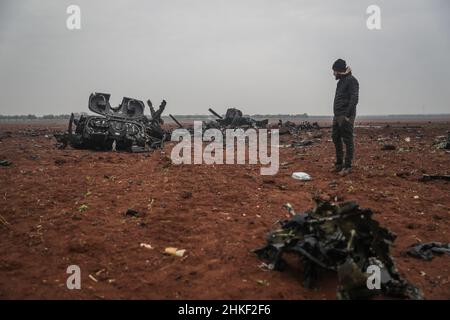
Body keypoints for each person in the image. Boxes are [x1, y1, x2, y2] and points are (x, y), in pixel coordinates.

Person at [330, 59, 359, 176]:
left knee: (347, 140)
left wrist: (347, 115)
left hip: (345, 115)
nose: (333, 74)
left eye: (334, 71)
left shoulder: (352, 80)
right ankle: (339, 164)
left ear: (339, 70)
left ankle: (347, 166)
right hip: (337, 115)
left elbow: (354, 98)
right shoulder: (341, 82)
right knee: (335, 137)